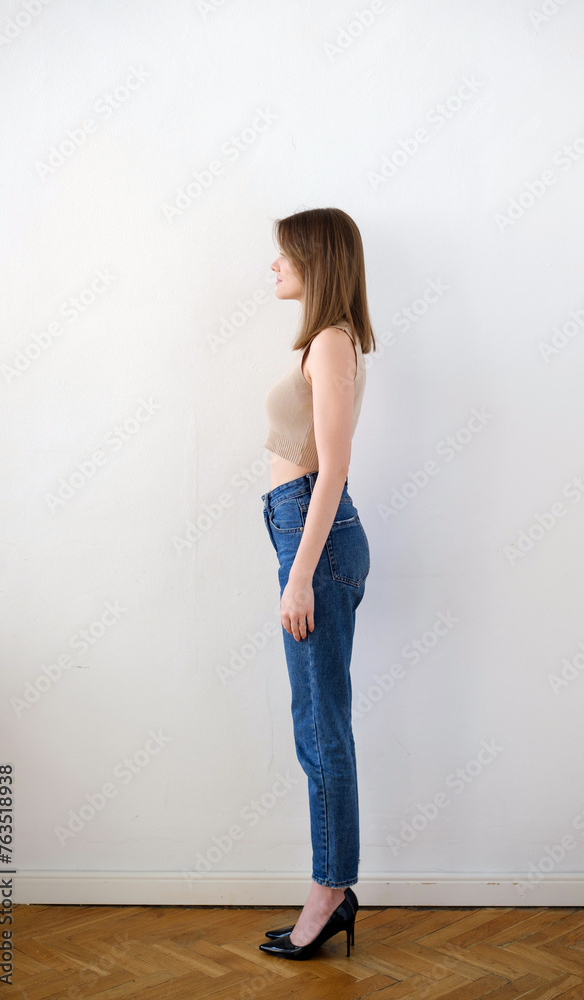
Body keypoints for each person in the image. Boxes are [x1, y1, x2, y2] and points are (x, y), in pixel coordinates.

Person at [258, 207, 376, 960]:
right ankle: (330, 887)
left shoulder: (330, 341)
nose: (272, 268)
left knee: (320, 730)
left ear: (315, 260)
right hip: (305, 532)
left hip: (317, 541)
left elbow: (332, 468)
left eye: (282, 258)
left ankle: (329, 893)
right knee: (316, 724)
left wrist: (299, 575)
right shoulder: (323, 338)